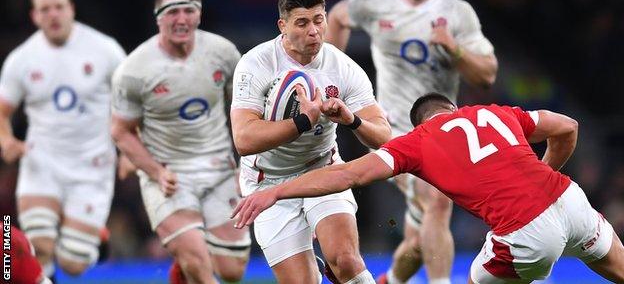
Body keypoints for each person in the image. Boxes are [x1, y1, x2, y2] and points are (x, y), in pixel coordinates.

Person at [233, 93, 624, 284]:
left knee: (478, 278)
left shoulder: (417, 141)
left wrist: (277, 191)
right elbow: (567, 126)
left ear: (420, 123)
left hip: (525, 232)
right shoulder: (496, 112)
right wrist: (542, 174)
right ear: (454, 108)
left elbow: (347, 175)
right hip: (570, 200)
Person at [326, 0, 498, 284]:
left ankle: (390, 280)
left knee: (419, 241)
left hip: (440, 133)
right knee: (437, 199)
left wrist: (455, 50)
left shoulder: (457, 12)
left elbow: (488, 75)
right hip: (389, 130)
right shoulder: (377, 4)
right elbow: (339, 16)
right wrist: (330, 74)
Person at [230, 0, 392, 284]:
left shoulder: (343, 67)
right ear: (283, 26)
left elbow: (384, 137)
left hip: (322, 168)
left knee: (346, 261)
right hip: (268, 181)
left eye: (319, 20)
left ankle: (333, 263)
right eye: (302, 23)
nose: (314, 31)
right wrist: (303, 121)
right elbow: (244, 140)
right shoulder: (256, 64)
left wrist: (351, 119)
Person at [110, 0, 250, 284]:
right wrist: (155, 171)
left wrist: (247, 165)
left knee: (232, 270)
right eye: (172, 12)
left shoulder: (224, 54)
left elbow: (245, 111)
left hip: (218, 168)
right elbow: (121, 131)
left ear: (199, 14)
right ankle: (188, 262)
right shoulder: (134, 69)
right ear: (158, 17)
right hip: (168, 175)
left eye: (188, 10)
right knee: (199, 266)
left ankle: (180, 272)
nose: (181, 19)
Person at [0, 0, 127, 279]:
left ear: (71, 8)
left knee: (73, 263)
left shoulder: (105, 50)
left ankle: (95, 238)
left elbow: (132, 103)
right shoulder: (21, 59)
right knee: (38, 245)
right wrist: (6, 140)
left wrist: (130, 150)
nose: (52, 15)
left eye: (58, 7)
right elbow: (2, 111)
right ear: (34, 15)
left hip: (92, 165)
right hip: (41, 162)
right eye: (44, 9)